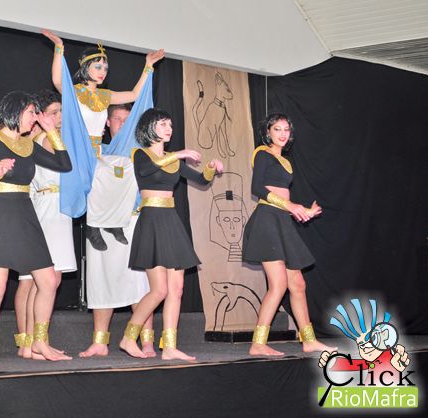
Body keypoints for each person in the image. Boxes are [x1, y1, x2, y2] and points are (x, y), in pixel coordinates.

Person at [0, 91, 72, 364]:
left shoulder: (28, 145)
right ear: (15, 112)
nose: (35, 118)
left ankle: (40, 342)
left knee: (48, 281)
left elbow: (64, 164)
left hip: (24, 214)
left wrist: (50, 130)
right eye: (32, 113)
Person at [41, 30, 164, 249]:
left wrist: (148, 66)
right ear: (85, 68)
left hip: (97, 150)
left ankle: (112, 222)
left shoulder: (104, 96)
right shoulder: (74, 92)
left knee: (120, 174)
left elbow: (135, 95)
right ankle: (92, 226)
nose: (102, 72)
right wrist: (59, 48)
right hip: (77, 149)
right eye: (98, 67)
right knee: (87, 183)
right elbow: (58, 80)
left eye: (105, 68)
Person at [119, 108, 224, 360]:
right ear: (149, 128)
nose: (169, 129)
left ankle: (169, 347)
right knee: (159, 290)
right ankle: (128, 337)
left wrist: (211, 168)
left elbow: (202, 180)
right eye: (163, 124)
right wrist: (179, 154)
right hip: (151, 221)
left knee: (176, 289)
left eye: (170, 125)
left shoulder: (173, 160)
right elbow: (147, 170)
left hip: (171, 221)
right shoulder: (140, 154)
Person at [241, 112, 336, 356]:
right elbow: (257, 188)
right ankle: (258, 343)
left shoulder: (286, 162)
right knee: (279, 284)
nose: (283, 134)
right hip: (266, 221)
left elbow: (284, 197)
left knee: (298, 284)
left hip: (282, 221)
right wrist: (291, 206)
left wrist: (303, 211)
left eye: (286, 130)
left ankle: (309, 340)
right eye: (277, 129)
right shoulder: (262, 153)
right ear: (268, 132)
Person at [79, 105, 155, 358]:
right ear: (107, 122)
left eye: (127, 119)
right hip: (101, 225)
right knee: (101, 280)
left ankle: (146, 341)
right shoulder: (96, 152)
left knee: (140, 283)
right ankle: (100, 342)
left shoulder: (143, 153)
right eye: (117, 119)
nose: (122, 124)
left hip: (132, 221)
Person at [14, 90, 77, 359]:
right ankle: (32, 342)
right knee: (40, 279)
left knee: (37, 281)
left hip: (52, 208)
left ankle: (30, 343)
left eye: (61, 111)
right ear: (40, 116)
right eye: (53, 112)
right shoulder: (45, 139)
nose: (60, 117)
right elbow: (65, 164)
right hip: (47, 208)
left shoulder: (39, 138)